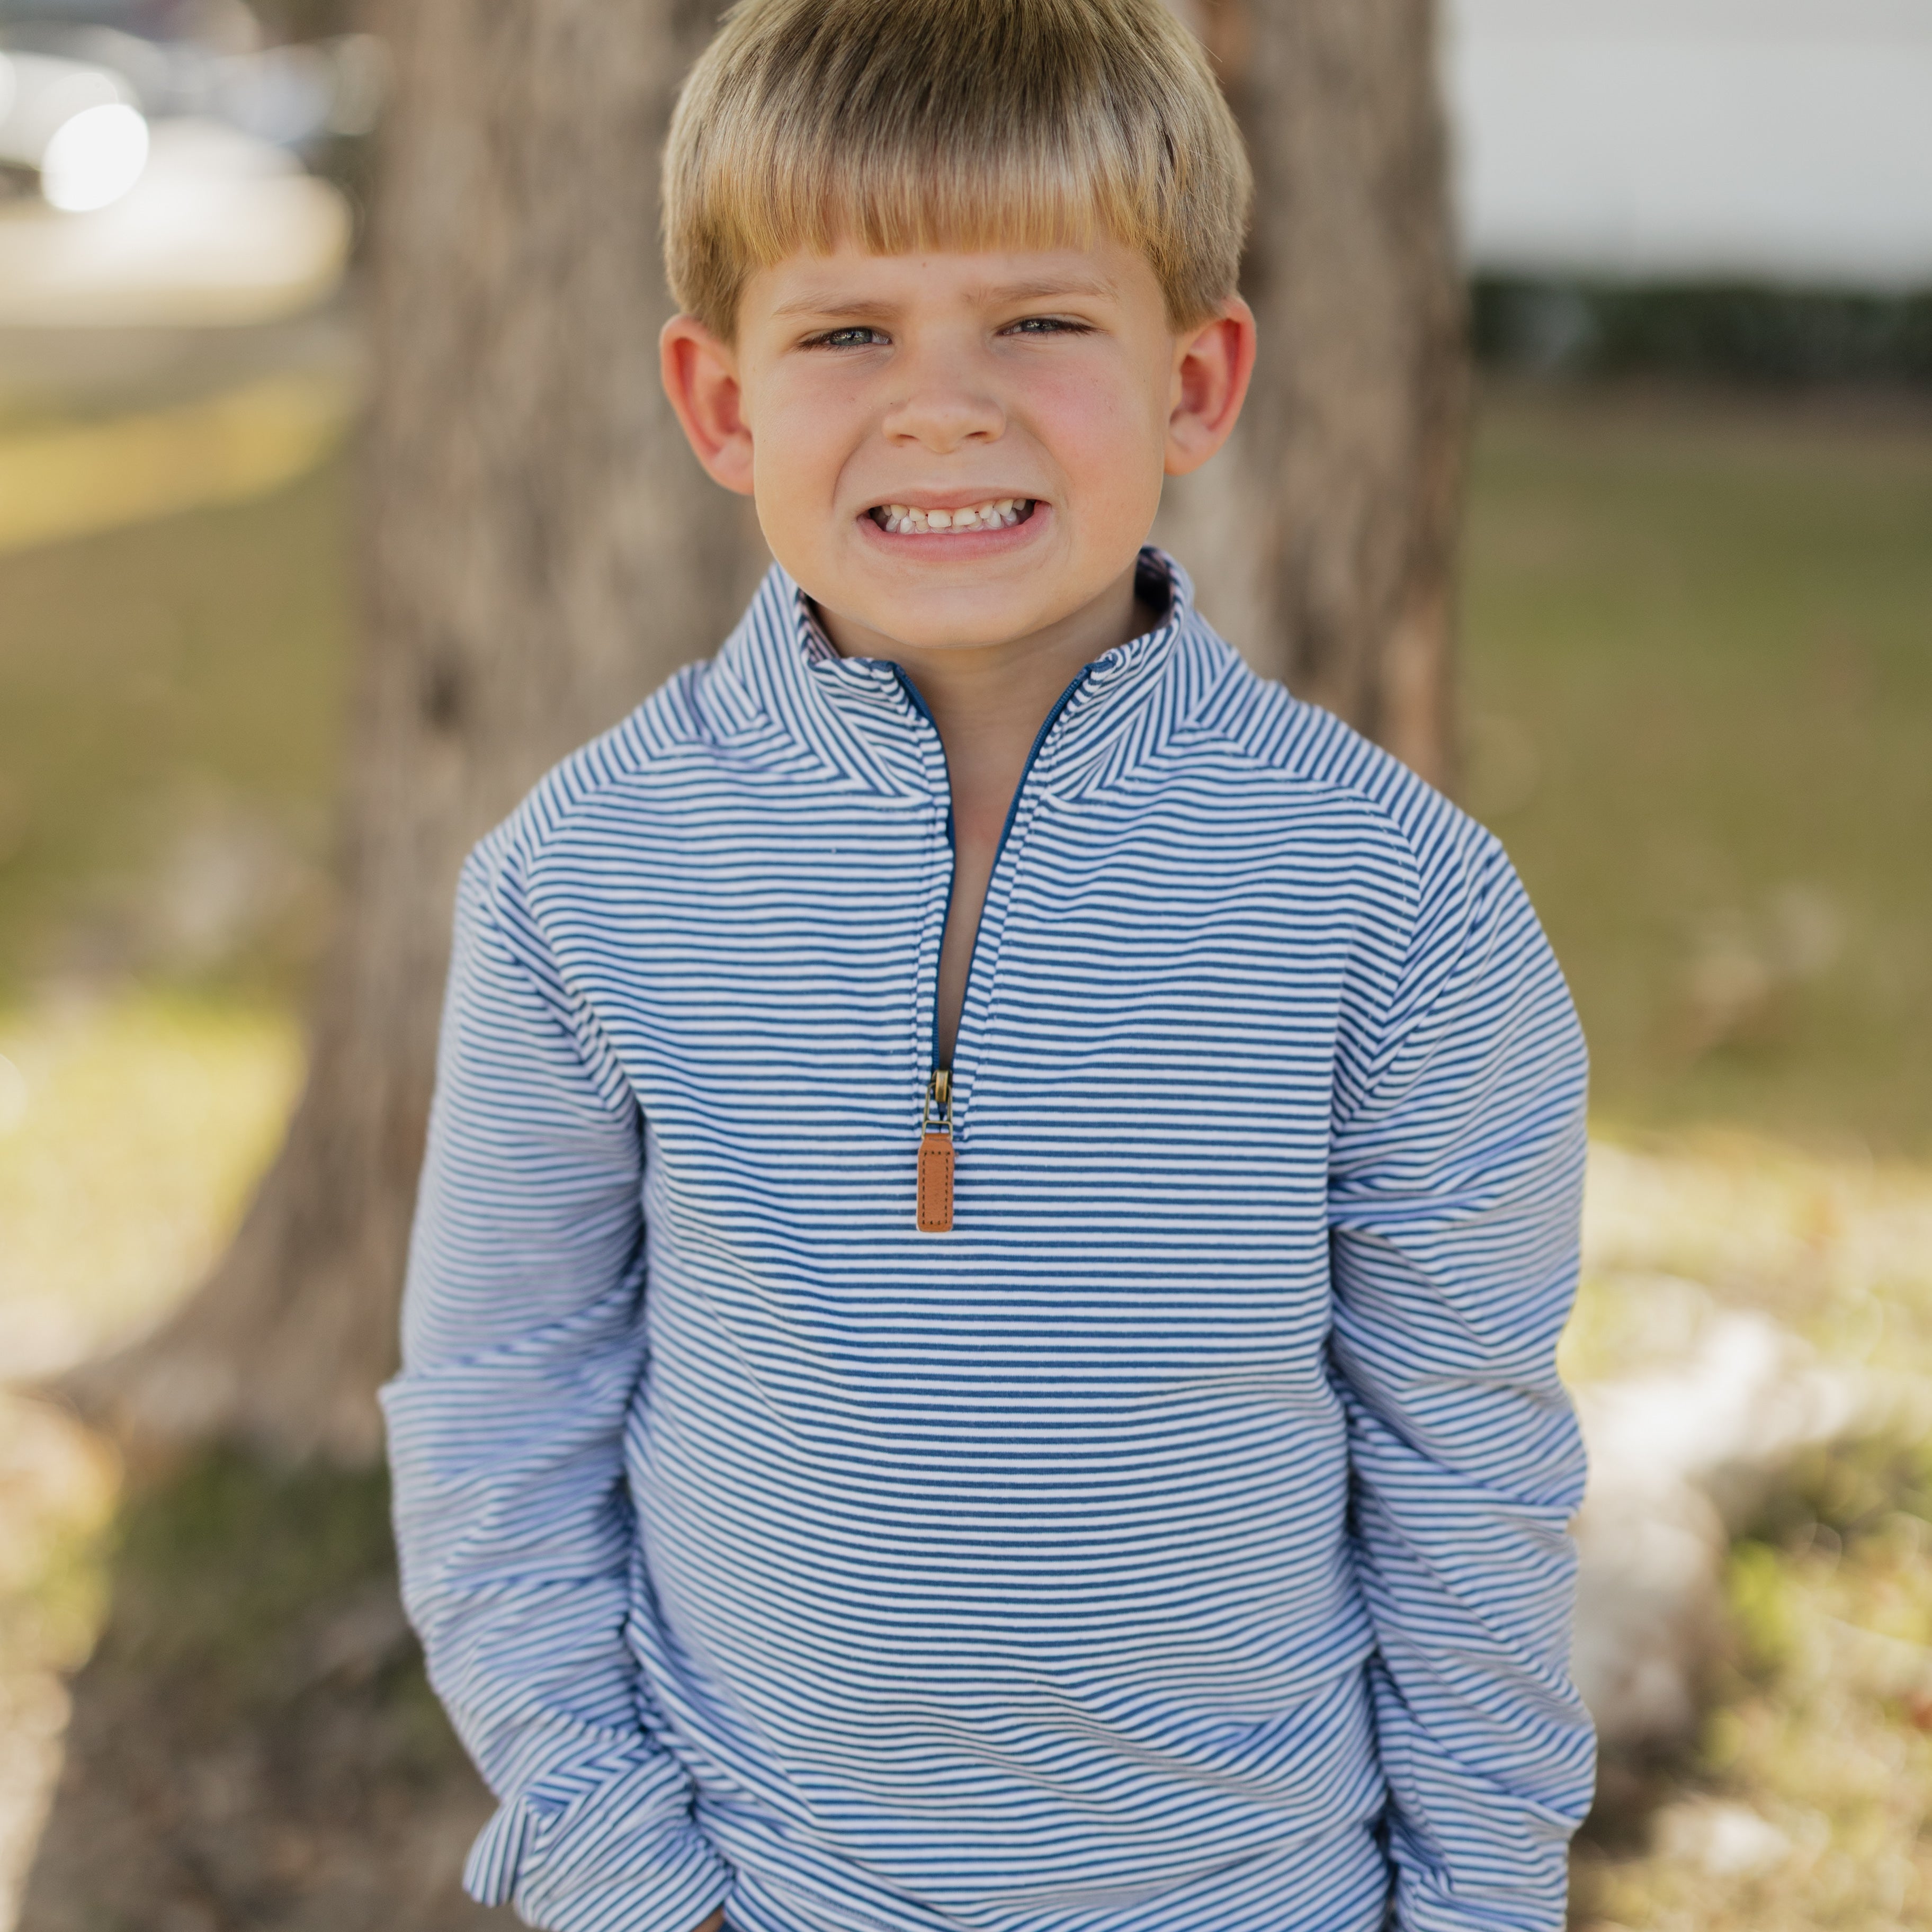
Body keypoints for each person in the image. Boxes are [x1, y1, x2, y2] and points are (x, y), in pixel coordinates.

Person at [383, 0, 1596, 1927]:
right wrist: (631, 1880)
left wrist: (1475, 1906)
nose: (942, 406)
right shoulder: (582, 880)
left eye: (1039, 320)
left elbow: (1469, 1484)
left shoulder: (1397, 902)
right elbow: (498, 1413)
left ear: (1198, 379)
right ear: (720, 406)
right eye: (848, 331)